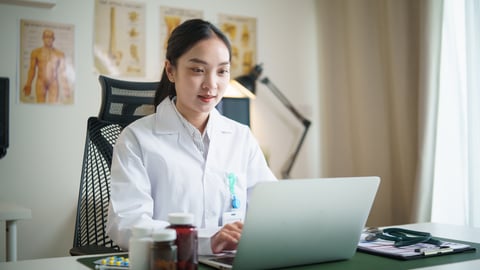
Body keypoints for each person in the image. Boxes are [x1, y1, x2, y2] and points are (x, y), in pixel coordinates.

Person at [106, 19, 276, 255]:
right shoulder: (136, 139)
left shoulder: (241, 137)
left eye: (222, 71)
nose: (211, 84)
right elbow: (127, 224)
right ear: (170, 70)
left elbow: (272, 209)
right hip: (168, 263)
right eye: (198, 70)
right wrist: (206, 239)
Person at [23, 29, 71, 103]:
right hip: (40, 81)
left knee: (53, 106)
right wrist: (28, 84)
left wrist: (66, 87)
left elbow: (62, 71)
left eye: (50, 37)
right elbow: (32, 69)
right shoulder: (36, 52)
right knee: (40, 105)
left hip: (53, 82)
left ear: (53, 39)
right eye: (46, 37)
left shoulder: (59, 54)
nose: (48, 39)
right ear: (43, 38)